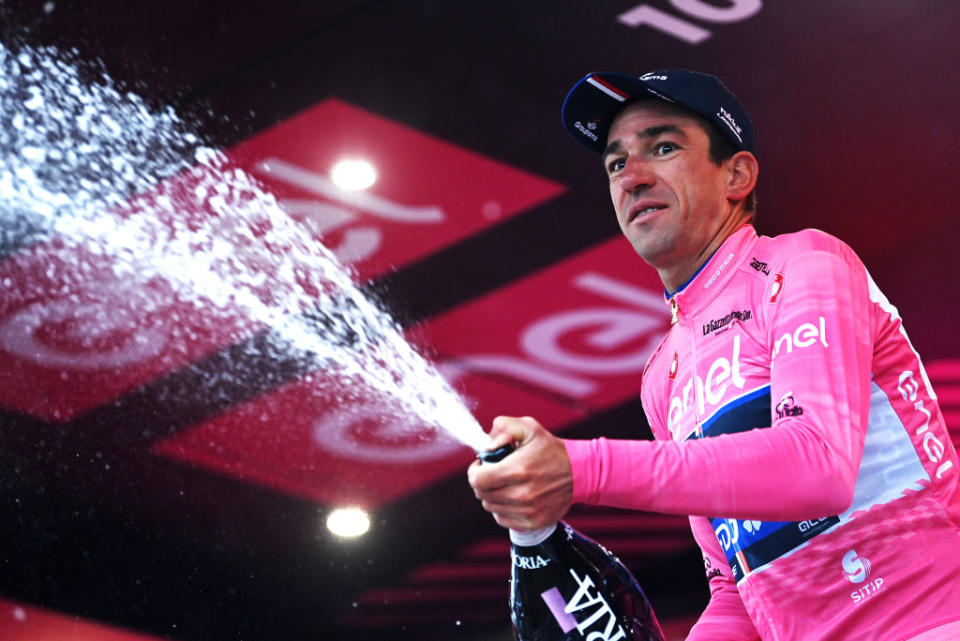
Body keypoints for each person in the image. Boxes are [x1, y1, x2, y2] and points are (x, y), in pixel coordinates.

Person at [467, 70, 960, 640]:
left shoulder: (806, 263)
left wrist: (580, 468)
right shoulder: (661, 377)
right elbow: (738, 586)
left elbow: (818, 465)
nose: (632, 178)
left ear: (737, 175)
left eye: (664, 147)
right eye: (616, 163)